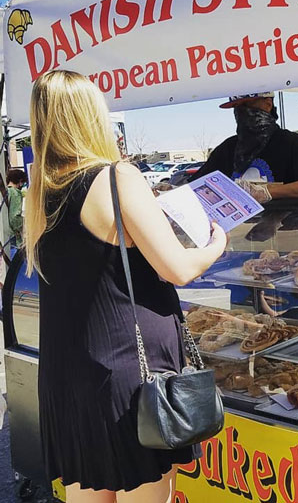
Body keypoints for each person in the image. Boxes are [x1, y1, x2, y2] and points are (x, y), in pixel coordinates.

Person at [24, 70, 227, 503]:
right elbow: (177, 268)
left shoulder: (37, 191)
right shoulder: (116, 178)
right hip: (131, 376)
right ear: (90, 115)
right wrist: (217, 244)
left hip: (67, 374)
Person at [190, 93, 298, 201]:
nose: (241, 112)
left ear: (268, 104)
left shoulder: (291, 142)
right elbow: (195, 185)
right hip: (242, 231)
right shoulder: (228, 148)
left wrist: (267, 192)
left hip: (288, 229)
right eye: (237, 107)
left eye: (247, 105)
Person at [6, 168, 27, 246]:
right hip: (13, 237)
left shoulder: (6, 192)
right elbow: (14, 217)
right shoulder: (16, 193)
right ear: (20, 181)